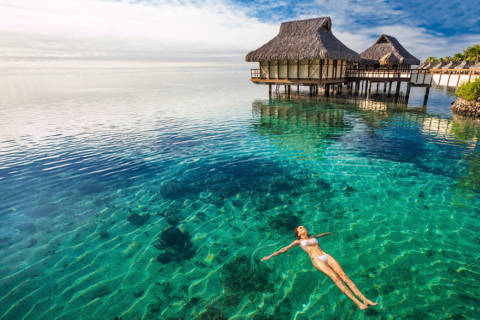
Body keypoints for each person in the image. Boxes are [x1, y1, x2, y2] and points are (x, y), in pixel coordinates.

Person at [261, 225, 378, 310]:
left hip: (326, 255)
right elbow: (283, 249)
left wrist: (330, 233)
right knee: (336, 278)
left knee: (345, 276)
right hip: (317, 260)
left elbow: (320, 235)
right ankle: (358, 303)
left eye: (303, 227)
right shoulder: (297, 242)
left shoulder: (312, 236)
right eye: (300, 228)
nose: (303, 228)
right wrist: (269, 256)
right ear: (298, 233)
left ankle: (365, 299)